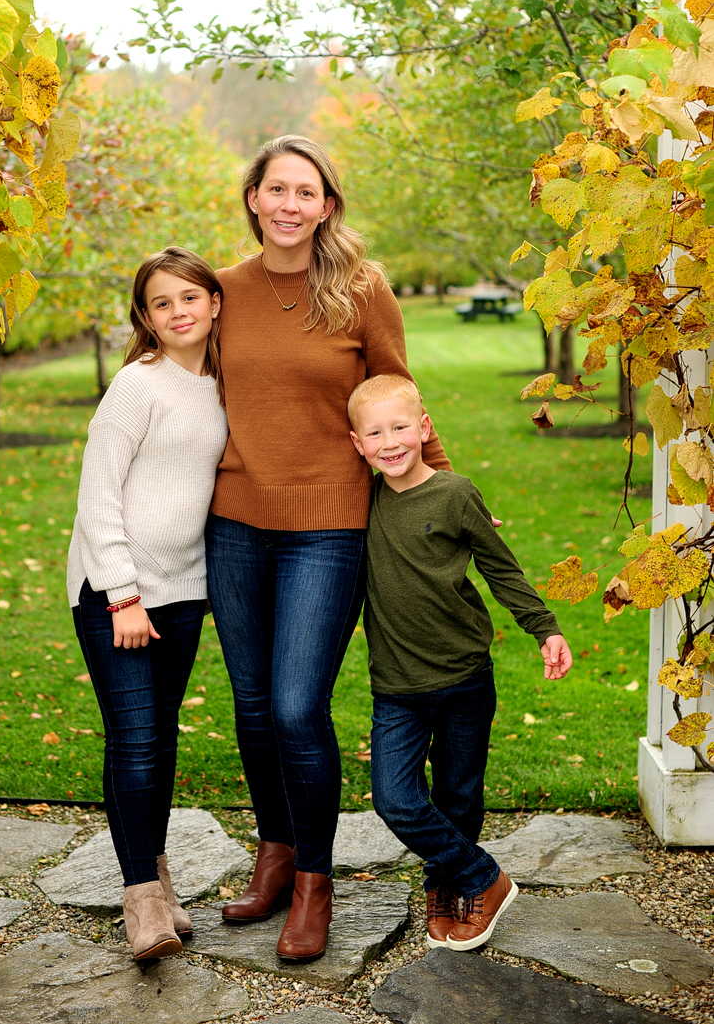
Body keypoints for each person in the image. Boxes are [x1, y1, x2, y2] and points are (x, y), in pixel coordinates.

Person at [205, 135, 451, 964]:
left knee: (296, 705)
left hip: (329, 527)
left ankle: (315, 878)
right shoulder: (223, 291)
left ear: (327, 205)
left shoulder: (360, 289)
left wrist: (441, 496)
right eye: (275, 188)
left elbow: (399, 399)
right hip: (235, 520)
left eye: (305, 192)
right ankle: (274, 853)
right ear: (252, 198)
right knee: (249, 702)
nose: (288, 204)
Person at [347, 373, 573, 951]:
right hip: (396, 686)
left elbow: (501, 568)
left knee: (459, 796)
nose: (390, 441)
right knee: (396, 798)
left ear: (424, 428)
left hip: (465, 676)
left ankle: (449, 886)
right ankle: (484, 878)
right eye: (375, 433)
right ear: (357, 445)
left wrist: (543, 627)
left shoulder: (455, 494)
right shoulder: (359, 501)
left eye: (401, 426)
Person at [68, 248, 228, 962]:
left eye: (189, 296)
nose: (178, 311)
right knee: (133, 738)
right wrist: (124, 596)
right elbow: (97, 494)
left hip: (185, 590)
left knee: (159, 738)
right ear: (146, 318)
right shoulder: (138, 385)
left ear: (214, 303)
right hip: (119, 594)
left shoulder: (223, 384)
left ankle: (158, 883)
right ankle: (141, 901)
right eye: (162, 303)